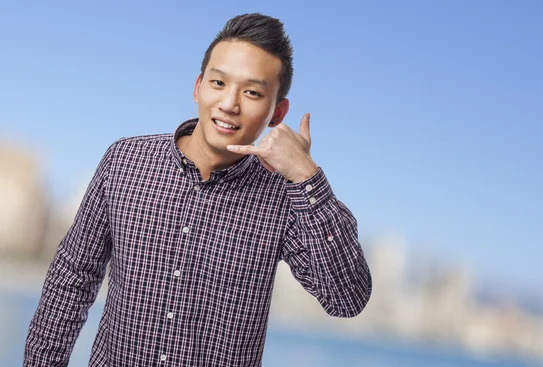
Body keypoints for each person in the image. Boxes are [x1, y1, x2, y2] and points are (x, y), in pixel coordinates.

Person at [24, 13, 372, 367]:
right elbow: (72, 280)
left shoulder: (284, 199)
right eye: (218, 83)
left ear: (277, 113)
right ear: (198, 87)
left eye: (252, 92)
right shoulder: (124, 162)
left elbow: (347, 298)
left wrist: (306, 175)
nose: (229, 104)